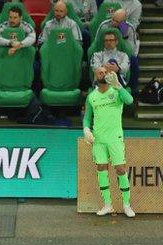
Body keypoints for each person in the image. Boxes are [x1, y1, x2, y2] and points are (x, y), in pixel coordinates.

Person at [82, 67, 135, 218]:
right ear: (95, 76)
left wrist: (118, 85)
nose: (103, 74)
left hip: (115, 138)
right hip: (98, 139)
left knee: (120, 169)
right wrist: (86, 129)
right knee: (101, 168)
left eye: (105, 72)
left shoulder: (117, 92)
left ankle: (126, 205)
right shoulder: (92, 96)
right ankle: (107, 205)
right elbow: (87, 116)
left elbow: (130, 101)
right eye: (100, 72)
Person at [96, 9, 138, 94]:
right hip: (105, 52)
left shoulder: (129, 28)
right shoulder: (104, 25)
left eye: (117, 21)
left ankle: (133, 91)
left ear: (123, 22)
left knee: (134, 59)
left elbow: (132, 49)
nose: (113, 23)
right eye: (113, 19)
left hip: (122, 54)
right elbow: (97, 43)